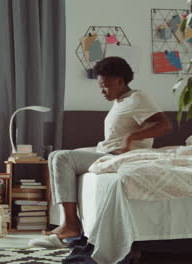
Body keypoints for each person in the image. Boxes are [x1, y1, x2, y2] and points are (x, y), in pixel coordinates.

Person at [43, 56, 172, 240]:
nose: (102, 91)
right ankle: (67, 222)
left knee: (63, 158)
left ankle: (71, 225)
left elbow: (164, 125)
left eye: (105, 85)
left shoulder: (138, 98)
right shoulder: (121, 101)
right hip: (107, 151)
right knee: (55, 156)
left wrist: (132, 137)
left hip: (119, 156)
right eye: (100, 86)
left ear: (120, 81)